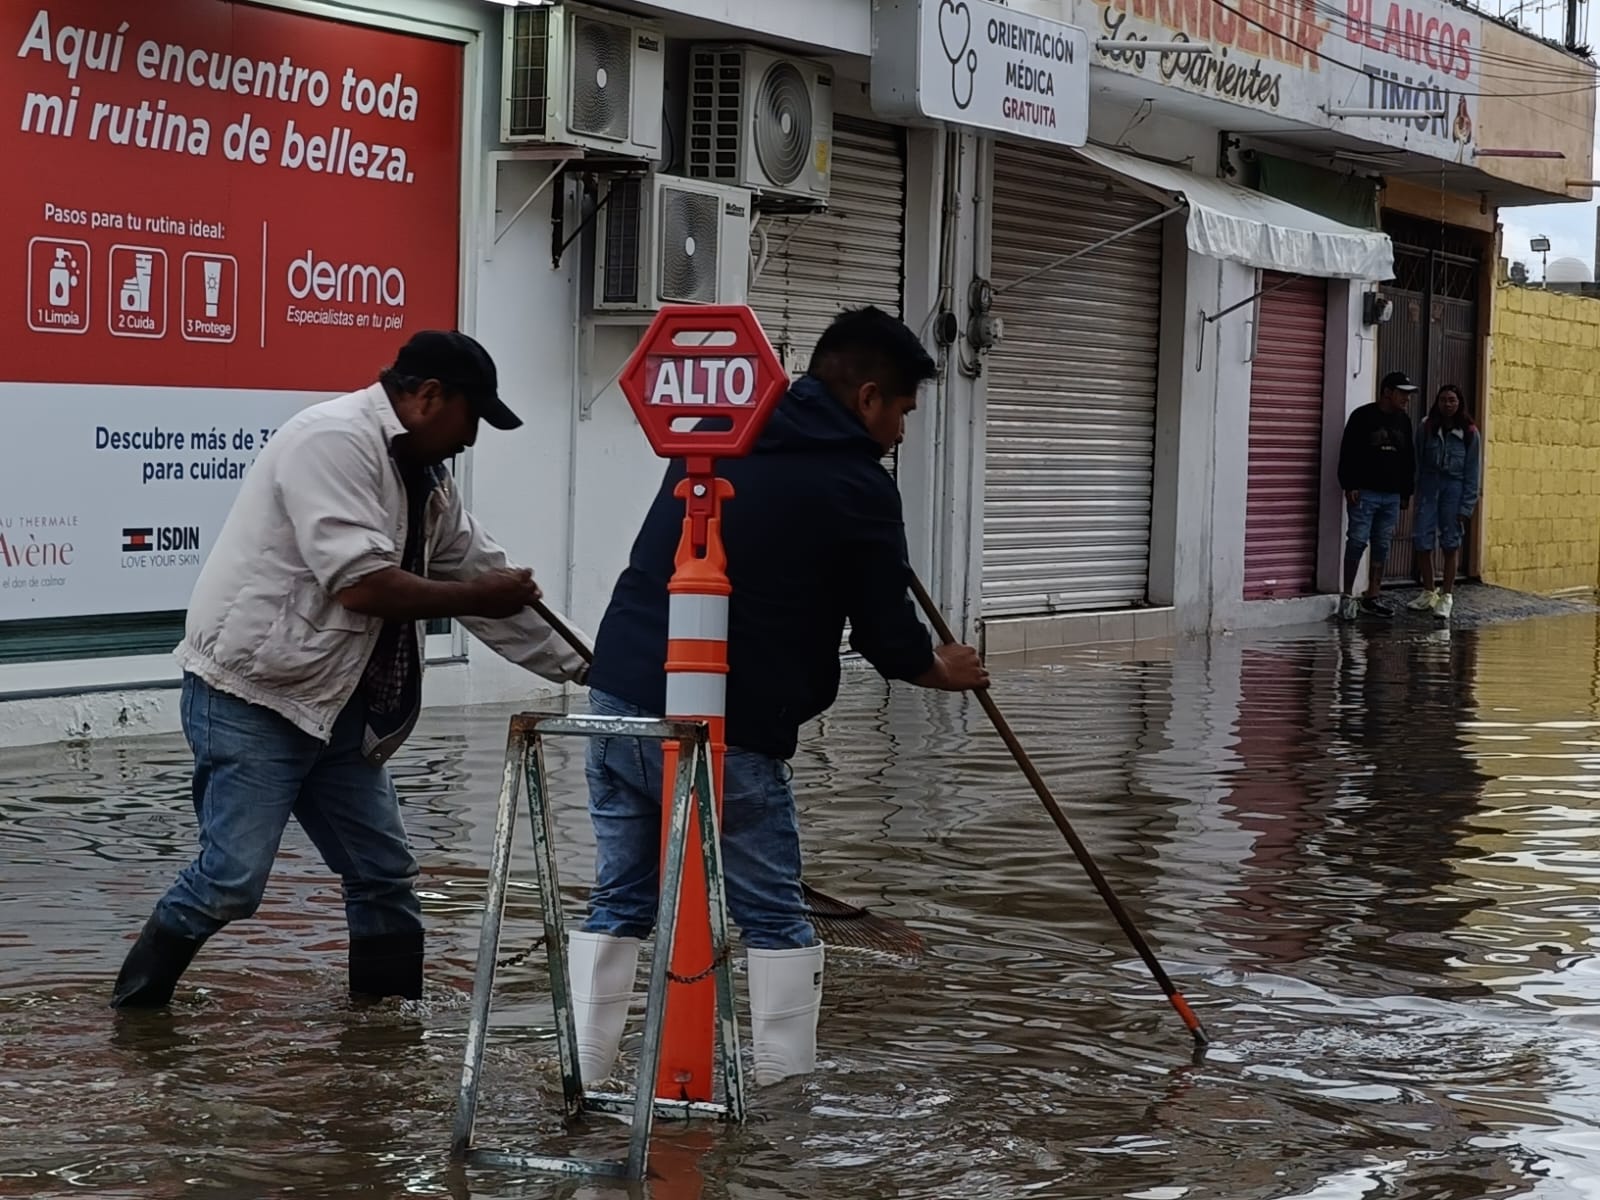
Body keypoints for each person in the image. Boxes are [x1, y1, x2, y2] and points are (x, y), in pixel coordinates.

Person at [571, 306, 989, 1087]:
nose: (901, 432)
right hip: (729, 728)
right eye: (901, 411)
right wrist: (944, 669)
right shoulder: (858, 486)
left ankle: (583, 1079)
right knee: (772, 915)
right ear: (867, 397)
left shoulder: (717, 432)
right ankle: (783, 1103)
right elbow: (888, 640)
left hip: (617, 702)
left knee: (620, 899)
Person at [110, 331, 590, 1010]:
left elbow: (483, 575)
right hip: (253, 696)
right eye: (472, 418)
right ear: (429, 397)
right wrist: (479, 597)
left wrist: (592, 670)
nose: (471, 439)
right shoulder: (331, 441)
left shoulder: (427, 479)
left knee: (384, 875)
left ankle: (388, 1032)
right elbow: (361, 585)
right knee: (231, 882)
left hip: (335, 706)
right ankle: (133, 1016)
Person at [1337, 371, 1418, 621]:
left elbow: (1409, 458)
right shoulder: (1362, 416)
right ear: (1387, 392)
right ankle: (1347, 596)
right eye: (1402, 393)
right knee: (1357, 540)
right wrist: (1350, 484)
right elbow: (1348, 452)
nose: (1406, 398)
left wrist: (1406, 492)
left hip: (1391, 494)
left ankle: (1373, 595)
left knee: (1382, 544)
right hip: (1365, 492)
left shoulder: (1404, 421)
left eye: (1408, 394)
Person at [1406, 384, 1481, 622]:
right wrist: (1412, 491)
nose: (1447, 404)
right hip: (1429, 487)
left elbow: (1473, 472)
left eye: (1452, 400)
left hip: (1454, 489)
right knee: (1422, 539)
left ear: (1459, 403)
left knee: (1450, 542)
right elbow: (1417, 460)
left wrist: (1466, 506)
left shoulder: (1469, 432)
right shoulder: (1427, 427)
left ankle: (1447, 595)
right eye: (1443, 400)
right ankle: (1429, 591)